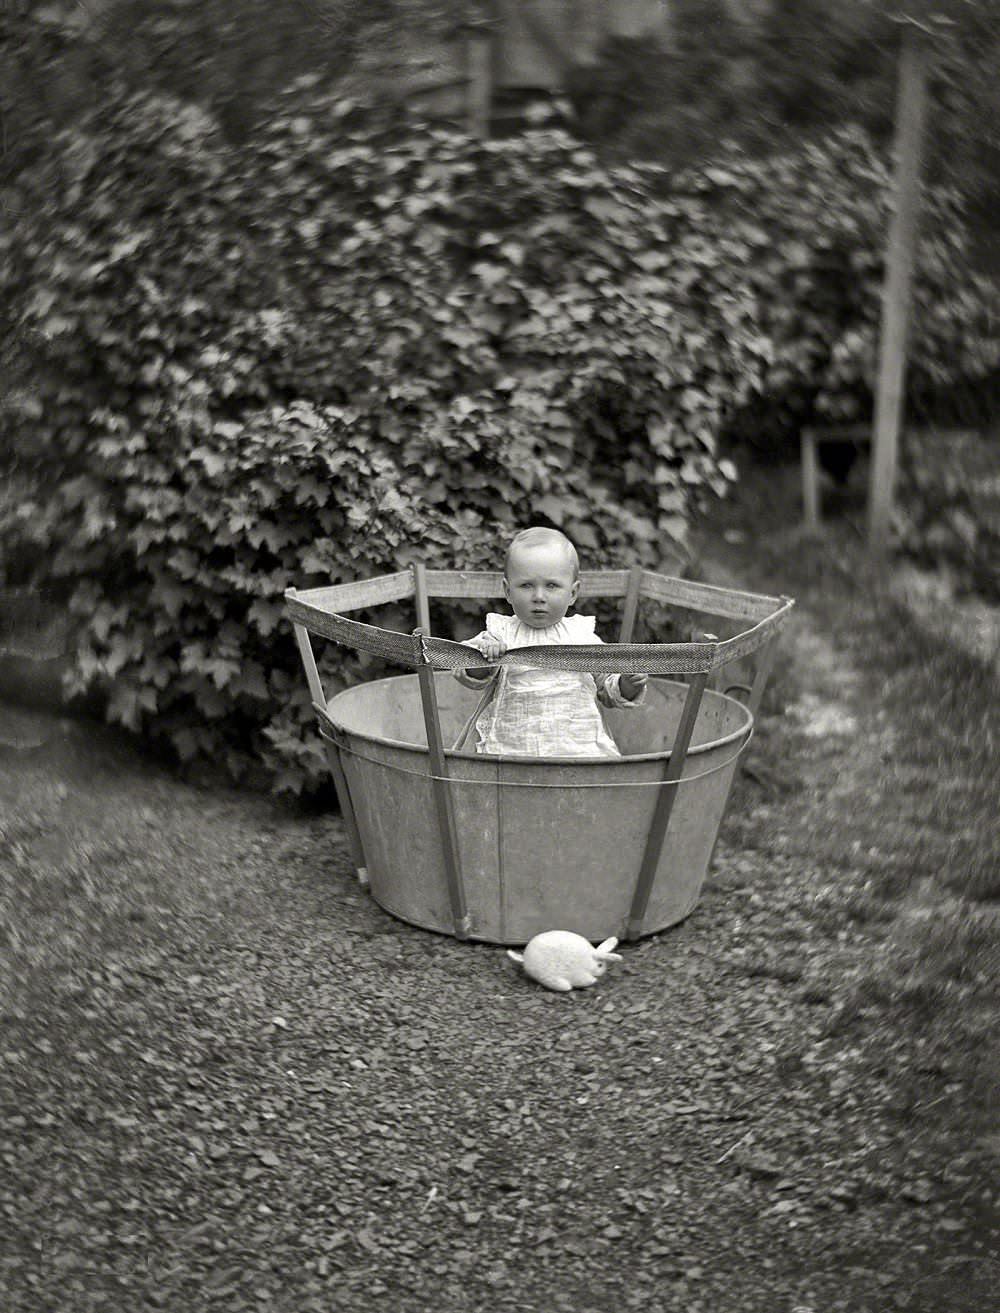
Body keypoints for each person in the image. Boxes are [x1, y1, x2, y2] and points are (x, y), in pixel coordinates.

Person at [456, 527, 647, 757]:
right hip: (514, 750)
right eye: (526, 585)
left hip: (577, 749)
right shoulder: (500, 633)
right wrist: (485, 656)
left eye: (552, 586)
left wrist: (628, 684)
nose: (539, 596)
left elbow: (607, 688)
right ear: (507, 591)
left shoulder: (582, 636)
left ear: (573, 593)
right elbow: (465, 670)